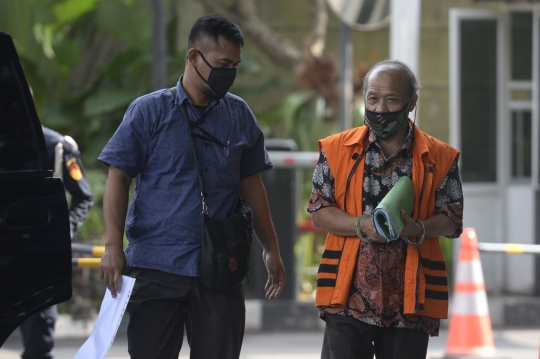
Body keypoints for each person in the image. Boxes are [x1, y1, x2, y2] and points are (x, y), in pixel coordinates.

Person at [97, 14, 286, 359]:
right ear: (194, 57)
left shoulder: (239, 115)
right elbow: (117, 178)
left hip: (220, 269)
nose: (229, 73)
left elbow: (252, 185)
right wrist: (112, 246)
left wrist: (271, 247)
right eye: (222, 64)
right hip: (155, 266)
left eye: (235, 66)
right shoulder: (148, 112)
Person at [307, 60, 463, 359]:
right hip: (347, 296)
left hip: (411, 299)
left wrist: (419, 228)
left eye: (391, 99)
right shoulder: (336, 149)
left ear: (411, 102)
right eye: (372, 99)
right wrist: (360, 225)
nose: (380, 108)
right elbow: (319, 210)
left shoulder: (441, 157)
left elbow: (452, 218)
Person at [19, 126, 94, 359]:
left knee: (38, 332)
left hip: (39, 251)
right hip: (8, 247)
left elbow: (83, 196)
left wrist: (63, 229)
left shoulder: (57, 146)